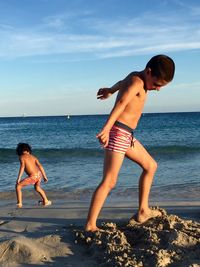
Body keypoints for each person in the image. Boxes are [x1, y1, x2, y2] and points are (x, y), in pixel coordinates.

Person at [85, 54, 175, 231]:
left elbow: (121, 84)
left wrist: (110, 90)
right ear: (149, 72)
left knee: (151, 166)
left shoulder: (134, 76)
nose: (157, 89)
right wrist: (106, 128)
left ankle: (143, 211)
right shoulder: (137, 82)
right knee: (109, 181)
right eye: (157, 84)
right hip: (119, 132)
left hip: (126, 135)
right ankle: (90, 225)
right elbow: (121, 102)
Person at [15, 143, 51, 208]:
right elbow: (40, 166)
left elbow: (22, 167)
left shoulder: (22, 157)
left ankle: (19, 203)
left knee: (18, 186)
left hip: (33, 176)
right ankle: (46, 200)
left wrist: (19, 178)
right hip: (39, 174)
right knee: (37, 188)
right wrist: (44, 176)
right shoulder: (33, 157)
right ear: (28, 150)